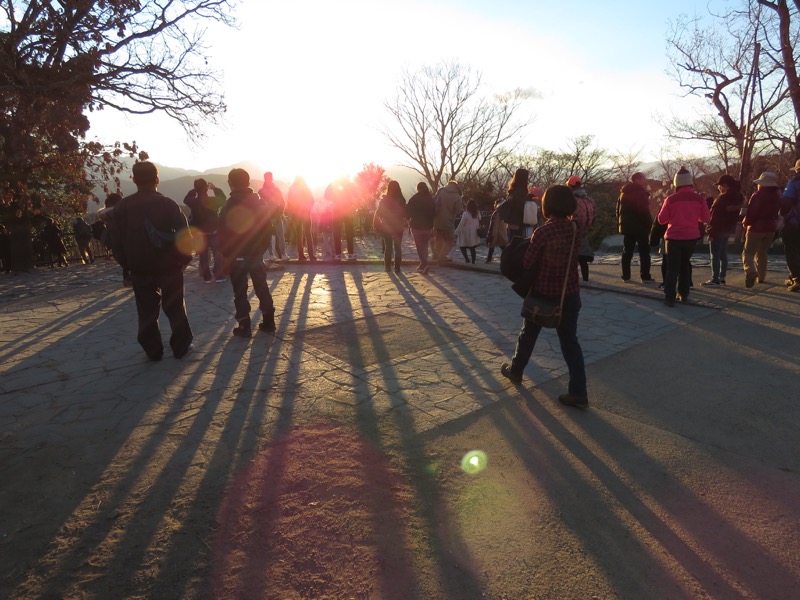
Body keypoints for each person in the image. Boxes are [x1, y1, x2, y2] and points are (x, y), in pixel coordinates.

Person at [500, 185, 588, 409]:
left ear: (546, 206)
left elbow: (528, 262)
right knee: (570, 344)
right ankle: (578, 392)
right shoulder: (576, 228)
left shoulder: (543, 232)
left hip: (543, 295)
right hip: (569, 295)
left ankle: (516, 371)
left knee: (528, 335)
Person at [111, 161, 194, 360]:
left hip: (139, 268)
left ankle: (153, 350)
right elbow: (185, 235)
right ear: (157, 179)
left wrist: (127, 264)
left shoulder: (122, 207)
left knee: (146, 312)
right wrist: (184, 260)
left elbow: (116, 241)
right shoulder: (167, 204)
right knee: (175, 308)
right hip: (169, 267)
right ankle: (180, 347)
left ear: (134, 180)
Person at [218, 168, 277, 337]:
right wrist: (261, 248)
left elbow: (222, 233)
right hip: (256, 254)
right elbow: (268, 228)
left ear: (230, 183)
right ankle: (268, 321)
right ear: (248, 181)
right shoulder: (259, 202)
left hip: (237, 256)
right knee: (261, 287)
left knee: (240, 292)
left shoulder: (228, 205)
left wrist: (227, 254)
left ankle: (244, 326)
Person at [657, 167, 710, 306]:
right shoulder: (699, 199)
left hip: (673, 237)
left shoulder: (670, 199)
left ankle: (669, 297)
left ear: (676, 184)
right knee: (684, 265)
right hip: (691, 237)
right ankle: (684, 294)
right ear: (690, 182)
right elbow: (705, 217)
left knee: (672, 268)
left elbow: (661, 220)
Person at [742, 171, 782, 288]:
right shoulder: (778, 195)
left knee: (748, 253)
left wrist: (746, 222)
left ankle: (751, 271)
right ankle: (761, 276)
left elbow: (752, 213)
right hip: (771, 227)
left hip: (756, 227)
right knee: (762, 252)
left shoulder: (757, 196)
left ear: (762, 184)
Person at [702, 174, 743, 286]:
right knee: (723, 253)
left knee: (714, 255)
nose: (719, 188)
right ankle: (722, 277)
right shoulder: (739, 197)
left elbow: (715, 217)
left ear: (725, 185)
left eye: (720, 185)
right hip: (728, 229)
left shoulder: (722, 198)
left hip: (717, 229)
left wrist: (710, 231)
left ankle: (714, 279)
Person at [184, 178, 226, 282]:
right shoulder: (212, 201)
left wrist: (195, 190)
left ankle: (207, 277)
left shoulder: (193, 202)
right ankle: (218, 275)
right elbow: (222, 198)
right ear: (206, 189)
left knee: (203, 256)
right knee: (218, 254)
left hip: (200, 234)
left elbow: (186, 199)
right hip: (214, 232)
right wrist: (215, 188)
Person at [617, 172, 654, 283]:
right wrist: (649, 225)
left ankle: (626, 275)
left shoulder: (623, 192)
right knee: (644, 252)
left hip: (627, 227)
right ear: (638, 179)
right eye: (643, 178)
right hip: (640, 227)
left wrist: (622, 223)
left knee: (627, 251)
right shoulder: (640, 192)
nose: (644, 180)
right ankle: (645, 276)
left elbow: (617, 210)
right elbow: (643, 211)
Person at [566, 176, 595, 282]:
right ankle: (585, 278)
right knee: (582, 255)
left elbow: (567, 214)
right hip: (586, 228)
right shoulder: (588, 199)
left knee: (572, 255)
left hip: (574, 229)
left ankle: (571, 279)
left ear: (571, 186)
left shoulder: (573, 199)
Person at [373, 180, 406, 273]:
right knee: (398, 248)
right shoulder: (402, 200)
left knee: (388, 247)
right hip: (398, 226)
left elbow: (379, 212)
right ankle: (397, 268)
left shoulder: (384, 200)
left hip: (386, 226)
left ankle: (387, 267)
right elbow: (405, 213)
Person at [406, 181, 435, 273]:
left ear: (418, 188)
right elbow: (435, 211)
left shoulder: (414, 199)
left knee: (419, 247)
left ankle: (425, 264)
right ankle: (422, 265)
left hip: (416, 226)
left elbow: (408, 212)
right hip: (428, 226)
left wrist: (408, 219)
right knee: (425, 245)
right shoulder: (430, 198)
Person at [780, 159, 800, 293]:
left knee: (792, 250)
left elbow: (787, 202)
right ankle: (792, 277)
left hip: (795, 223)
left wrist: (782, 213)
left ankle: (797, 278)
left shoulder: (794, 183)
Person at [432, 179, 463, 262]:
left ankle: (437, 254)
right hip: (448, 221)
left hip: (436, 220)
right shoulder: (457, 196)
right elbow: (459, 211)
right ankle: (442, 256)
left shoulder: (441, 191)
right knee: (450, 240)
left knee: (438, 239)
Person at [258, 172, 286, 261]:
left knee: (280, 235)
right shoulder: (261, 191)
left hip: (276, 215)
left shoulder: (274, 190)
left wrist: (280, 212)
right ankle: (271, 254)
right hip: (268, 216)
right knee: (270, 235)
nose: (269, 179)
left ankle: (283, 253)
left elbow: (282, 202)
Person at [287, 176, 316, 261]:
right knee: (308, 234)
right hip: (306, 214)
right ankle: (311, 255)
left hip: (296, 215)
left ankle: (301, 255)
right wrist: (309, 209)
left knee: (299, 235)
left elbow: (289, 202)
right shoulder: (306, 188)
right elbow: (312, 200)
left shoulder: (291, 189)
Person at [502, 168, 530, 239]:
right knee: (517, 243)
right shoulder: (522, 191)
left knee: (512, 241)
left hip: (511, 221)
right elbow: (521, 206)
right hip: (518, 221)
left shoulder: (512, 190)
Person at [455, 199, 481, 263]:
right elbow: (480, 219)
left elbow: (461, 224)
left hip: (465, 233)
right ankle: (473, 261)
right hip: (474, 232)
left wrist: (456, 232)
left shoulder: (465, 214)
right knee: (472, 247)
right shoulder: (477, 213)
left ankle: (467, 259)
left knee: (462, 246)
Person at [485, 197, 509, 263]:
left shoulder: (497, 213)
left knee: (493, 246)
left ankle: (489, 259)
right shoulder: (504, 213)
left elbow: (495, 225)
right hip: (502, 232)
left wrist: (493, 234)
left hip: (497, 232)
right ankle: (489, 258)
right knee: (502, 246)